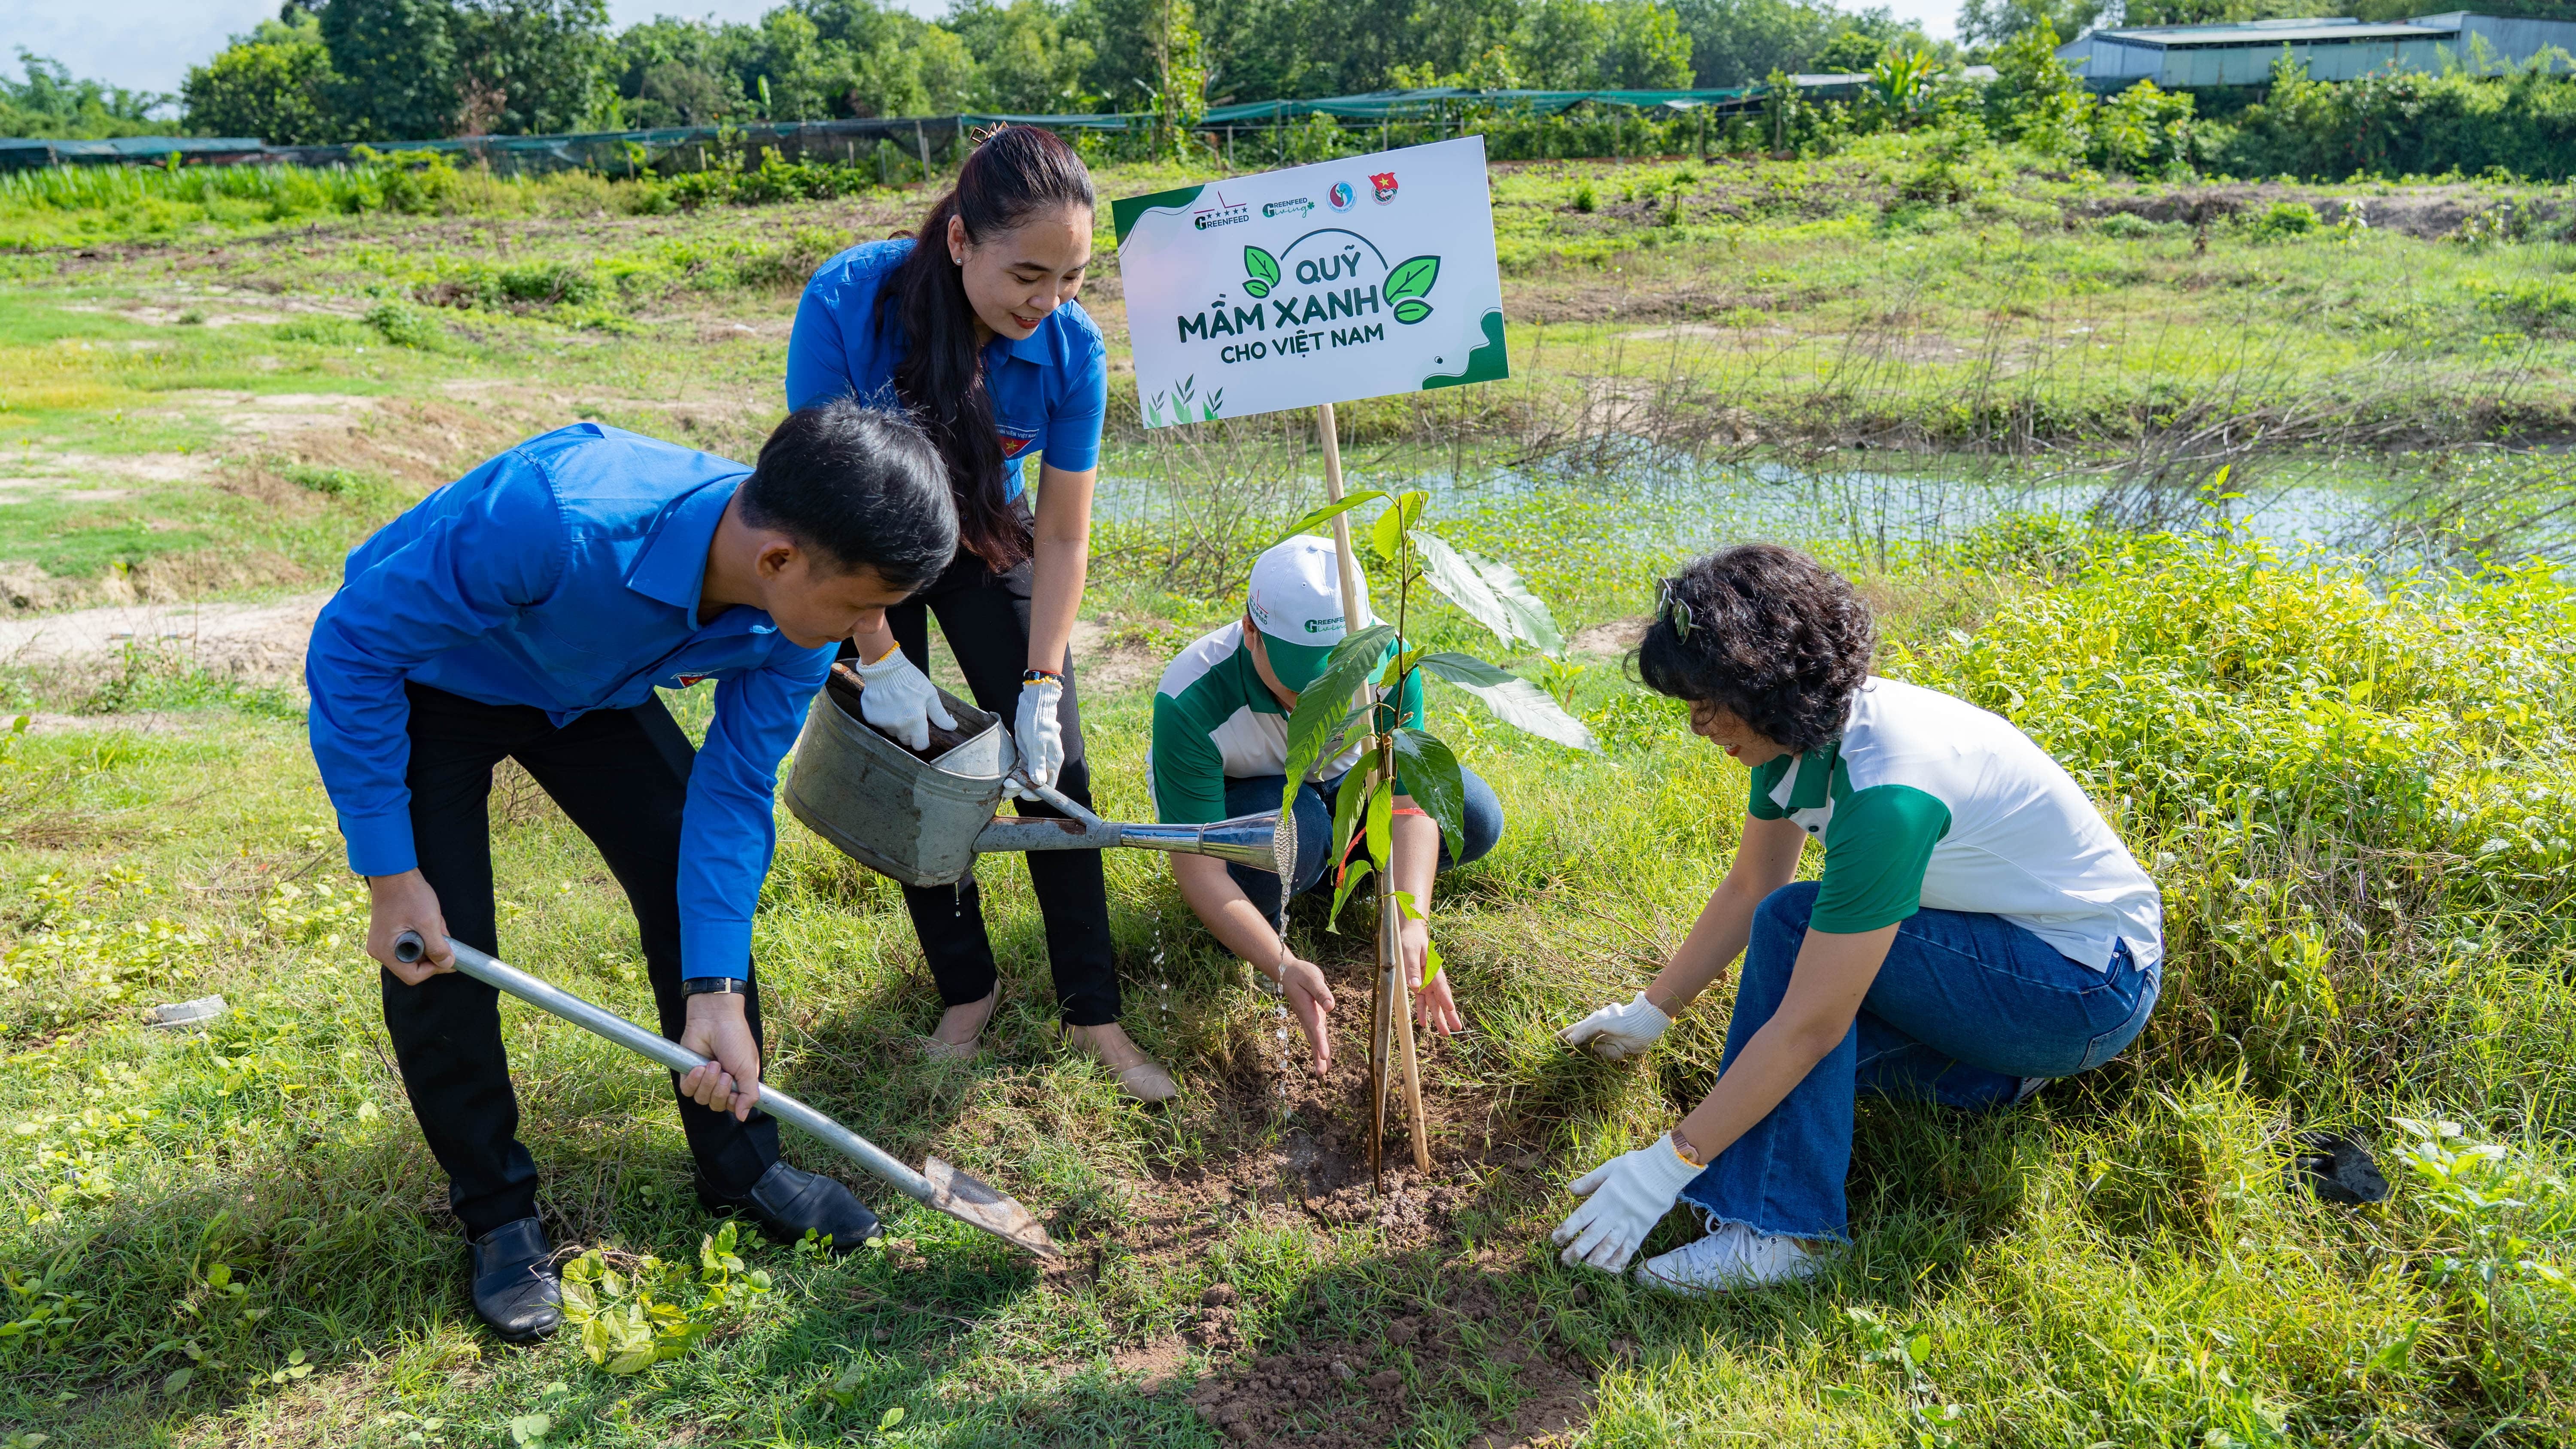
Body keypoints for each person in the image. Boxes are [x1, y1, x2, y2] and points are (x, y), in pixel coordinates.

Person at [307, 403, 956, 1343]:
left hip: (593, 689)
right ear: (777, 561)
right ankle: (497, 1212)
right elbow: (353, 642)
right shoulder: (556, 518)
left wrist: (718, 989)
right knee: (443, 946)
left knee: (684, 887)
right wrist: (389, 872)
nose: (871, 632)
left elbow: (732, 796)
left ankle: (740, 1166)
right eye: (862, 607)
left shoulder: (796, 621)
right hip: (437, 678)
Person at [1551, 544, 2163, 1295]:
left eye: (1709, 700)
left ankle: (1786, 1231)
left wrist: (1670, 1162)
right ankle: (1991, 1077)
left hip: (2080, 988)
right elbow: (1748, 883)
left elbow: (1807, 1023)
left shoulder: (1891, 790)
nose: (1699, 726)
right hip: (2008, 964)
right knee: (1776, 1031)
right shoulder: (1795, 741)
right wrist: (1653, 1011)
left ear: (1766, 681)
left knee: (1796, 942)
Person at [781, 125, 1164, 1097]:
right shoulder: (848, 304)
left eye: (1073, 277)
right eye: (1028, 274)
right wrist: (880, 658)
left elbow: (1067, 536)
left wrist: (1040, 683)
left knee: (1059, 764)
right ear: (960, 241)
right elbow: (824, 505)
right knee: (906, 760)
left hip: (990, 525)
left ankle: (1094, 1012)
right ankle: (967, 988)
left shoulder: (1071, 350)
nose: (1048, 301)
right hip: (859, 529)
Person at [1151, 536, 1505, 1076]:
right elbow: (1199, 870)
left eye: (1338, 680)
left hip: (1346, 788)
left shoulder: (1389, 663)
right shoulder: (1190, 699)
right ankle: (1299, 879)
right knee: (1295, 835)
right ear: (1252, 632)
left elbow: (1409, 802)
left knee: (1473, 817)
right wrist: (1282, 963)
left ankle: (1332, 873)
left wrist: (1413, 921)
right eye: (1300, 683)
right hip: (1255, 804)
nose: (1318, 701)